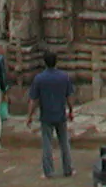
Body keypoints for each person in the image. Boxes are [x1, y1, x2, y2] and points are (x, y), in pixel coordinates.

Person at [27, 51, 76, 179]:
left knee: (47, 144)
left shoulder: (39, 78)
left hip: (46, 115)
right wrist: (71, 111)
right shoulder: (64, 77)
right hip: (60, 114)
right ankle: (68, 169)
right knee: (64, 143)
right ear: (56, 62)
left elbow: (34, 100)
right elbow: (69, 96)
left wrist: (29, 116)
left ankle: (48, 171)